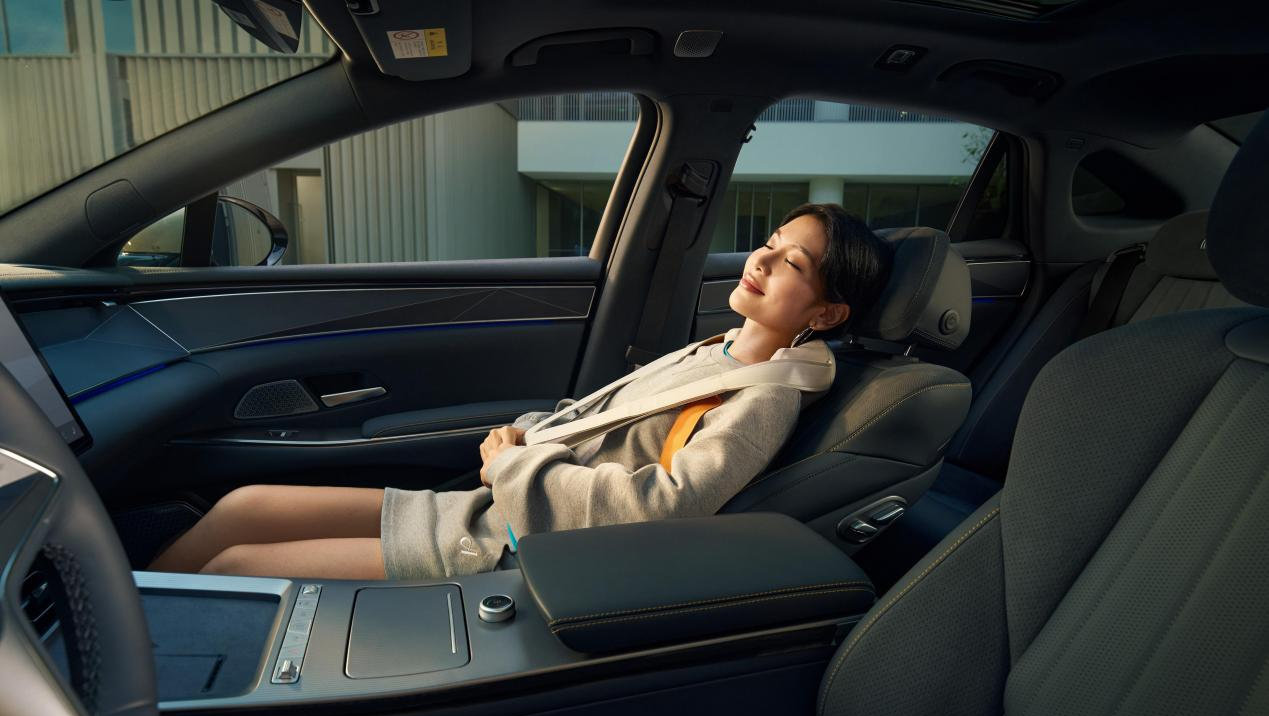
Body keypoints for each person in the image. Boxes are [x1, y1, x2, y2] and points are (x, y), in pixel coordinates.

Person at [147, 203, 893, 580]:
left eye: (792, 263)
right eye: (768, 243)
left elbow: (666, 507)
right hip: (495, 506)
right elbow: (597, 420)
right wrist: (524, 437)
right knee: (241, 507)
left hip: (512, 545)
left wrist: (514, 464)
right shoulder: (719, 349)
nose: (761, 260)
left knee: (234, 569)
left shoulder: (764, 396)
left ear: (826, 314)